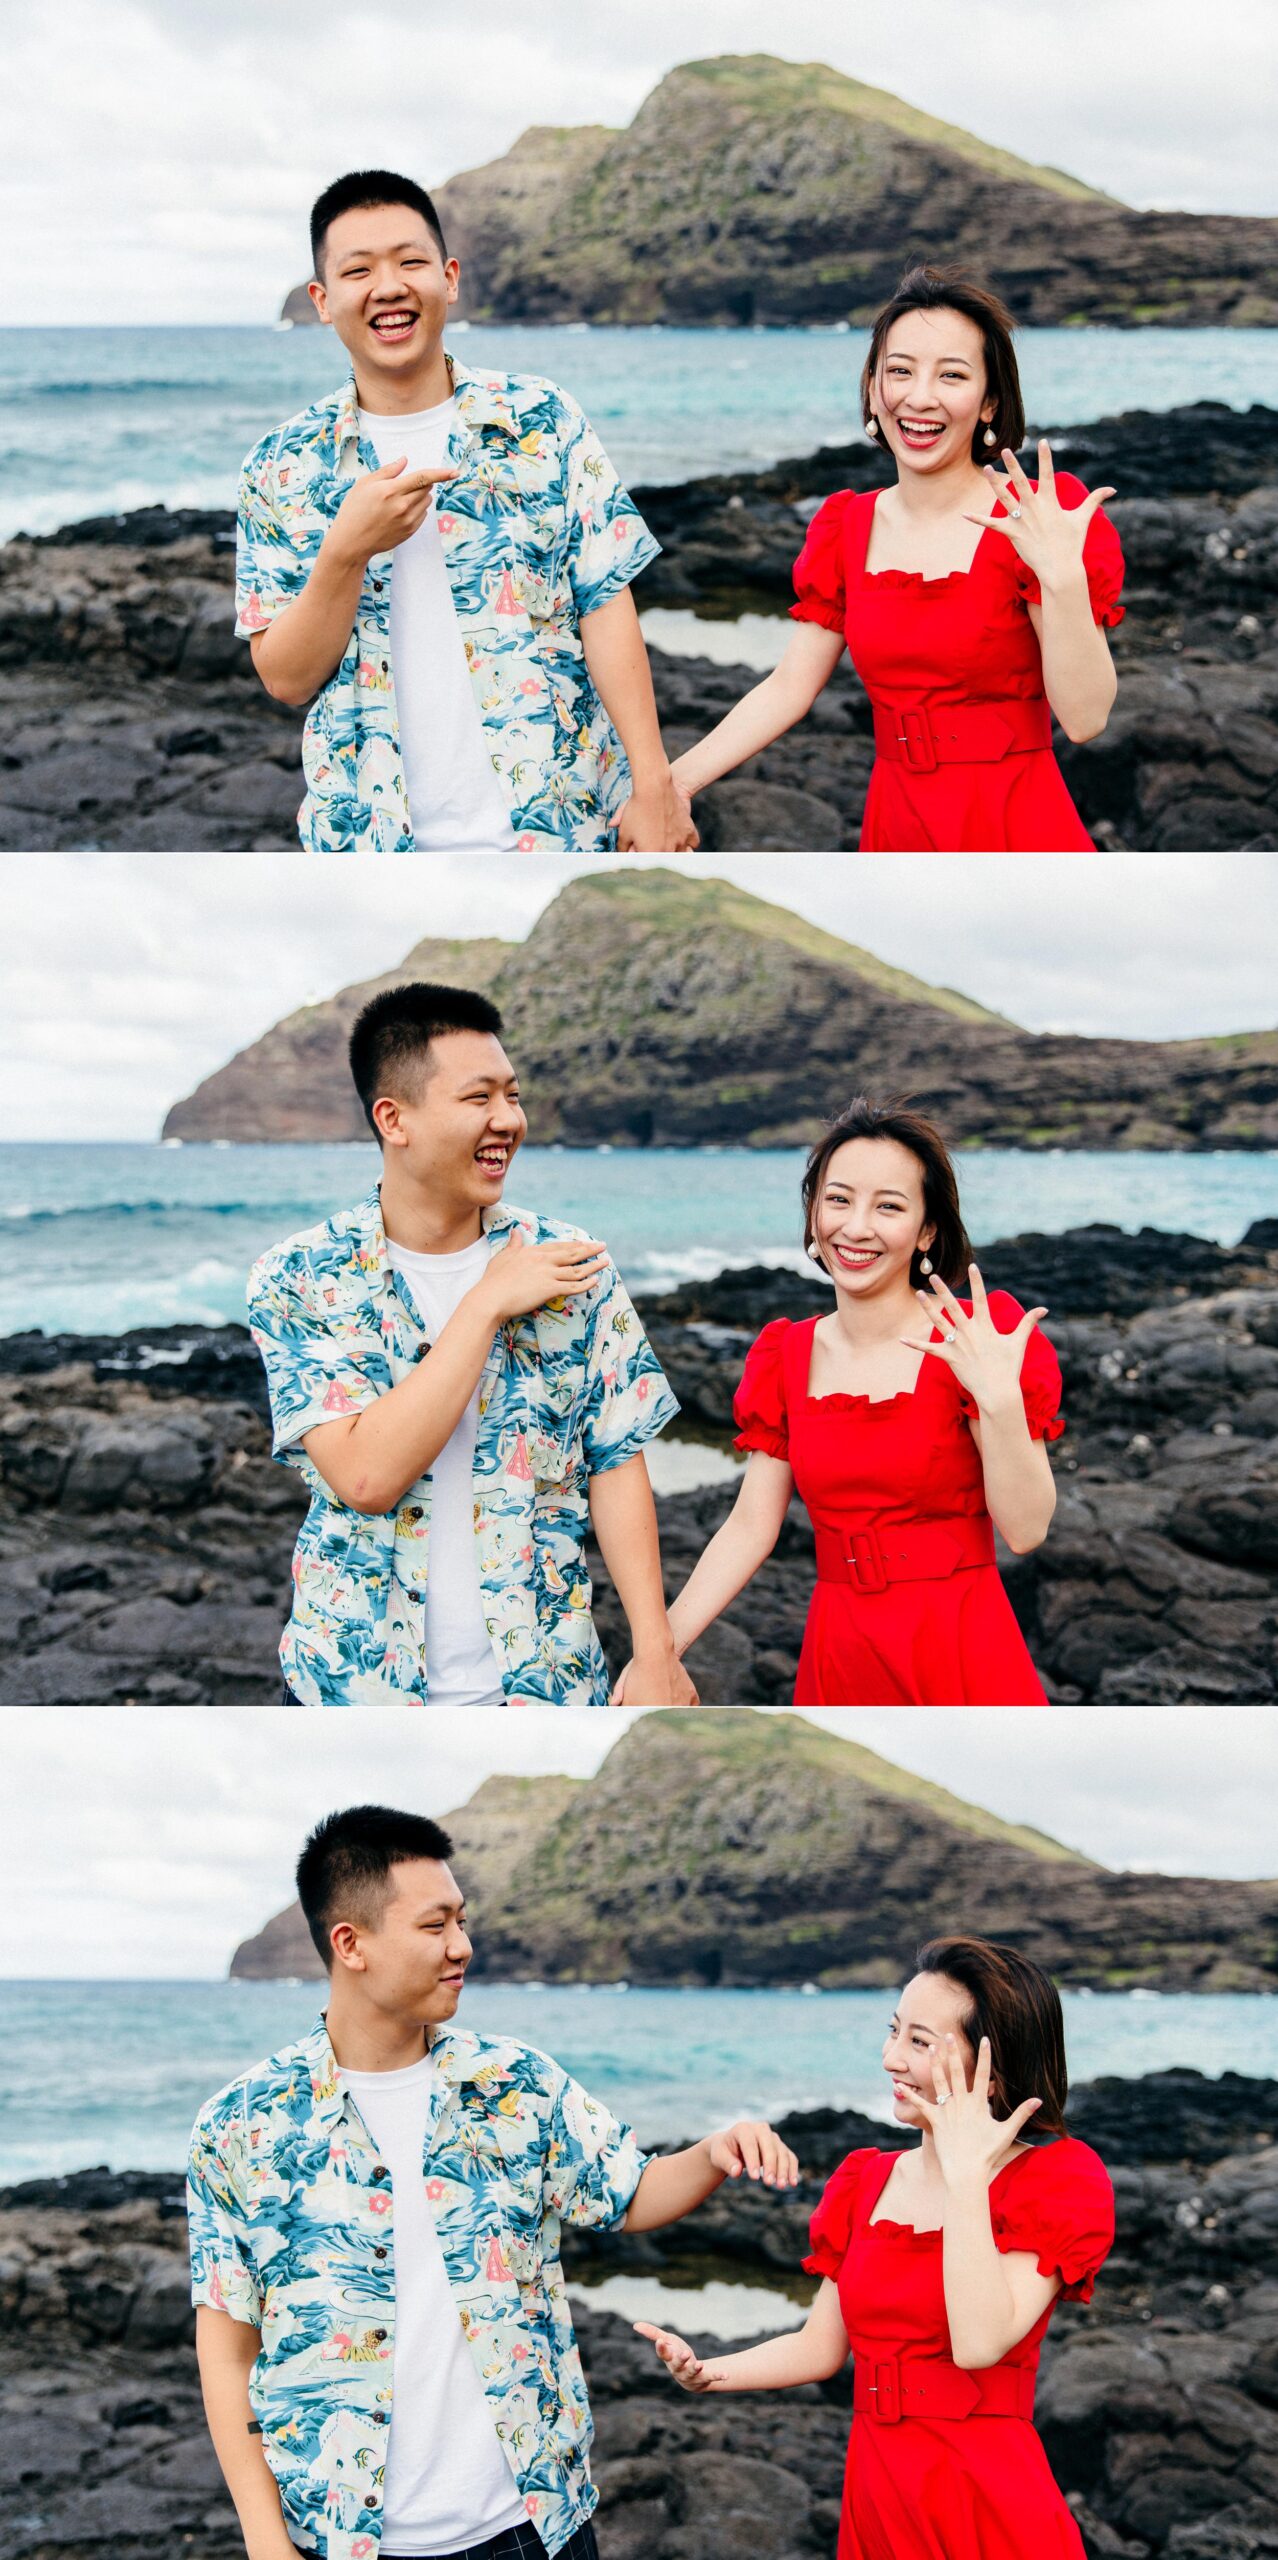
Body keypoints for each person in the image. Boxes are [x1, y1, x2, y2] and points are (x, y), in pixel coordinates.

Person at [189, 1804, 799, 2560]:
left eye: (463, 1921)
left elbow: (630, 2193)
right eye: (435, 1925)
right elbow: (227, 2352)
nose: (462, 1947)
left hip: (534, 2528)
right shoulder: (241, 2127)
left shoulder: (514, 2084)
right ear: (351, 1944)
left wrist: (714, 2152)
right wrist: (265, 2542)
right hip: (338, 2543)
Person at [247, 982, 693, 1707]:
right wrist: (485, 1303)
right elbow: (365, 1477)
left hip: (547, 1683)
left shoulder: (571, 1263)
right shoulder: (300, 1277)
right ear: (394, 1119)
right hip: (357, 1690)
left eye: (512, 1096)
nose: (508, 1120)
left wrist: (655, 1652)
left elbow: (616, 1459)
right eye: (478, 1098)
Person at [236, 167, 695, 855]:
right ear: (323, 300)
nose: (389, 286)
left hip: (567, 825)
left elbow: (605, 604)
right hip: (372, 843)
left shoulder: (542, 419)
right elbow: (286, 677)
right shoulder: (279, 467)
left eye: (410, 262)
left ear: (448, 278)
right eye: (358, 270)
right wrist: (345, 551)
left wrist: (653, 784)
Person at [637, 1933, 1115, 2560]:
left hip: (985, 2495)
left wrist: (968, 2171)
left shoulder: (1057, 2182)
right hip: (878, 2488)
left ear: (991, 2070)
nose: (890, 2057)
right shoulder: (865, 2180)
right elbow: (819, 2346)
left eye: (919, 2042)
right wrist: (710, 2373)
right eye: (894, 2031)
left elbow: (979, 2343)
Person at [620, 1096, 1062, 1706]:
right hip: (842, 1644)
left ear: (927, 1229)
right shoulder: (785, 1355)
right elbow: (750, 1526)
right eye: (838, 1199)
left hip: (959, 1637)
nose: (855, 1227)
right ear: (812, 1214)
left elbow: (1027, 1529)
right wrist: (658, 1654)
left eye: (889, 1206)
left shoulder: (978, 1340)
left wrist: (999, 1400)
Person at [671, 266, 1125, 851]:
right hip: (896, 819)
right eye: (900, 371)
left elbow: (1086, 720)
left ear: (989, 402)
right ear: (872, 388)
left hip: (1014, 817)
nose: (919, 397)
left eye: (952, 375)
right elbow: (788, 686)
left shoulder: (1041, 515)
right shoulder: (844, 526)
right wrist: (676, 784)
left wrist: (1060, 574)